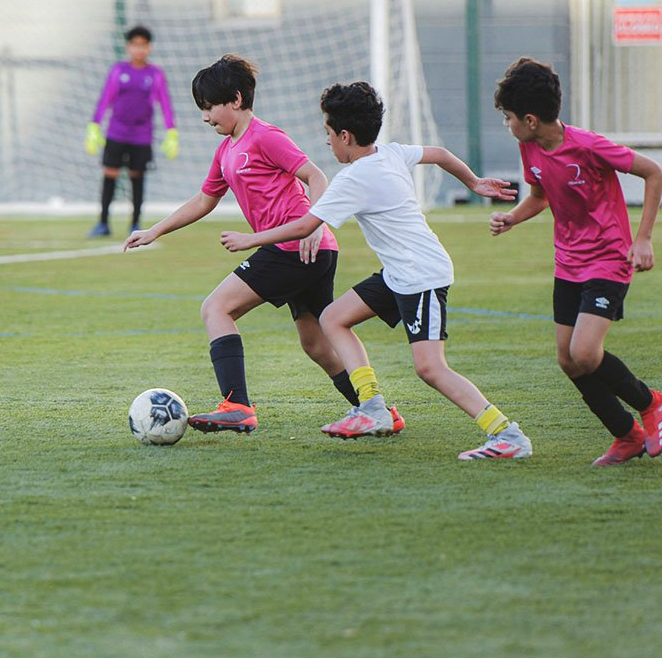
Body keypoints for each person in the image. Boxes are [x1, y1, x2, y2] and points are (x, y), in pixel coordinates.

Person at [221, 82, 529, 459]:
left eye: (329, 135)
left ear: (345, 136)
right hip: (400, 271)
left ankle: (506, 434)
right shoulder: (391, 153)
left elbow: (305, 226)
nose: (328, 143)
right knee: (333, 318)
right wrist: (473, 181)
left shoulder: (353, 178)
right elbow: (440, 154)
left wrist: (250, 240)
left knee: (430, 368)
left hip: (421, 275)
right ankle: (372, 407)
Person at [124, 56, 403, 434]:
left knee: (216, 309)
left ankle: (237, 404)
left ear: (236, 99)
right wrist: (155, 231)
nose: (205, 117)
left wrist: (314, 227)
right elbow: (204, 201)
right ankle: (375, 410)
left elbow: (315, 175)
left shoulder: (265, 136)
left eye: (209, 107)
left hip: (295, 246)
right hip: (310, 251)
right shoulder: (226, 151)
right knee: (317, 345)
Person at [490, 57, 662, 466]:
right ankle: (626, 436)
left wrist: (642, 239)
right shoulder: (529, 147)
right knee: (569, 361)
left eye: (509, 117)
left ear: (531, 119)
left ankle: (653, 402)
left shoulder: (589, 146)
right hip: (567, 263)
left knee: (587, 353)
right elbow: (539, 194)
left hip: (609, 258)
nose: (508, 124)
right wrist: (512, 219)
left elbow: (654, 172)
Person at [85, 25, 178, 238]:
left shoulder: (155, 74)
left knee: (137, 176)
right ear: (128, 47)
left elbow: (165, 102)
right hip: (116, 133)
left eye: (143, 45)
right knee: (110, 174)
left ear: (149, 47)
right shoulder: (118, 70)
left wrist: (171, 131)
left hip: (142, 135)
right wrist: (94, 125)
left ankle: (135, 222)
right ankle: (103, 223)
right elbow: (105, 98)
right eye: (135, 45)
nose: (139, 49)